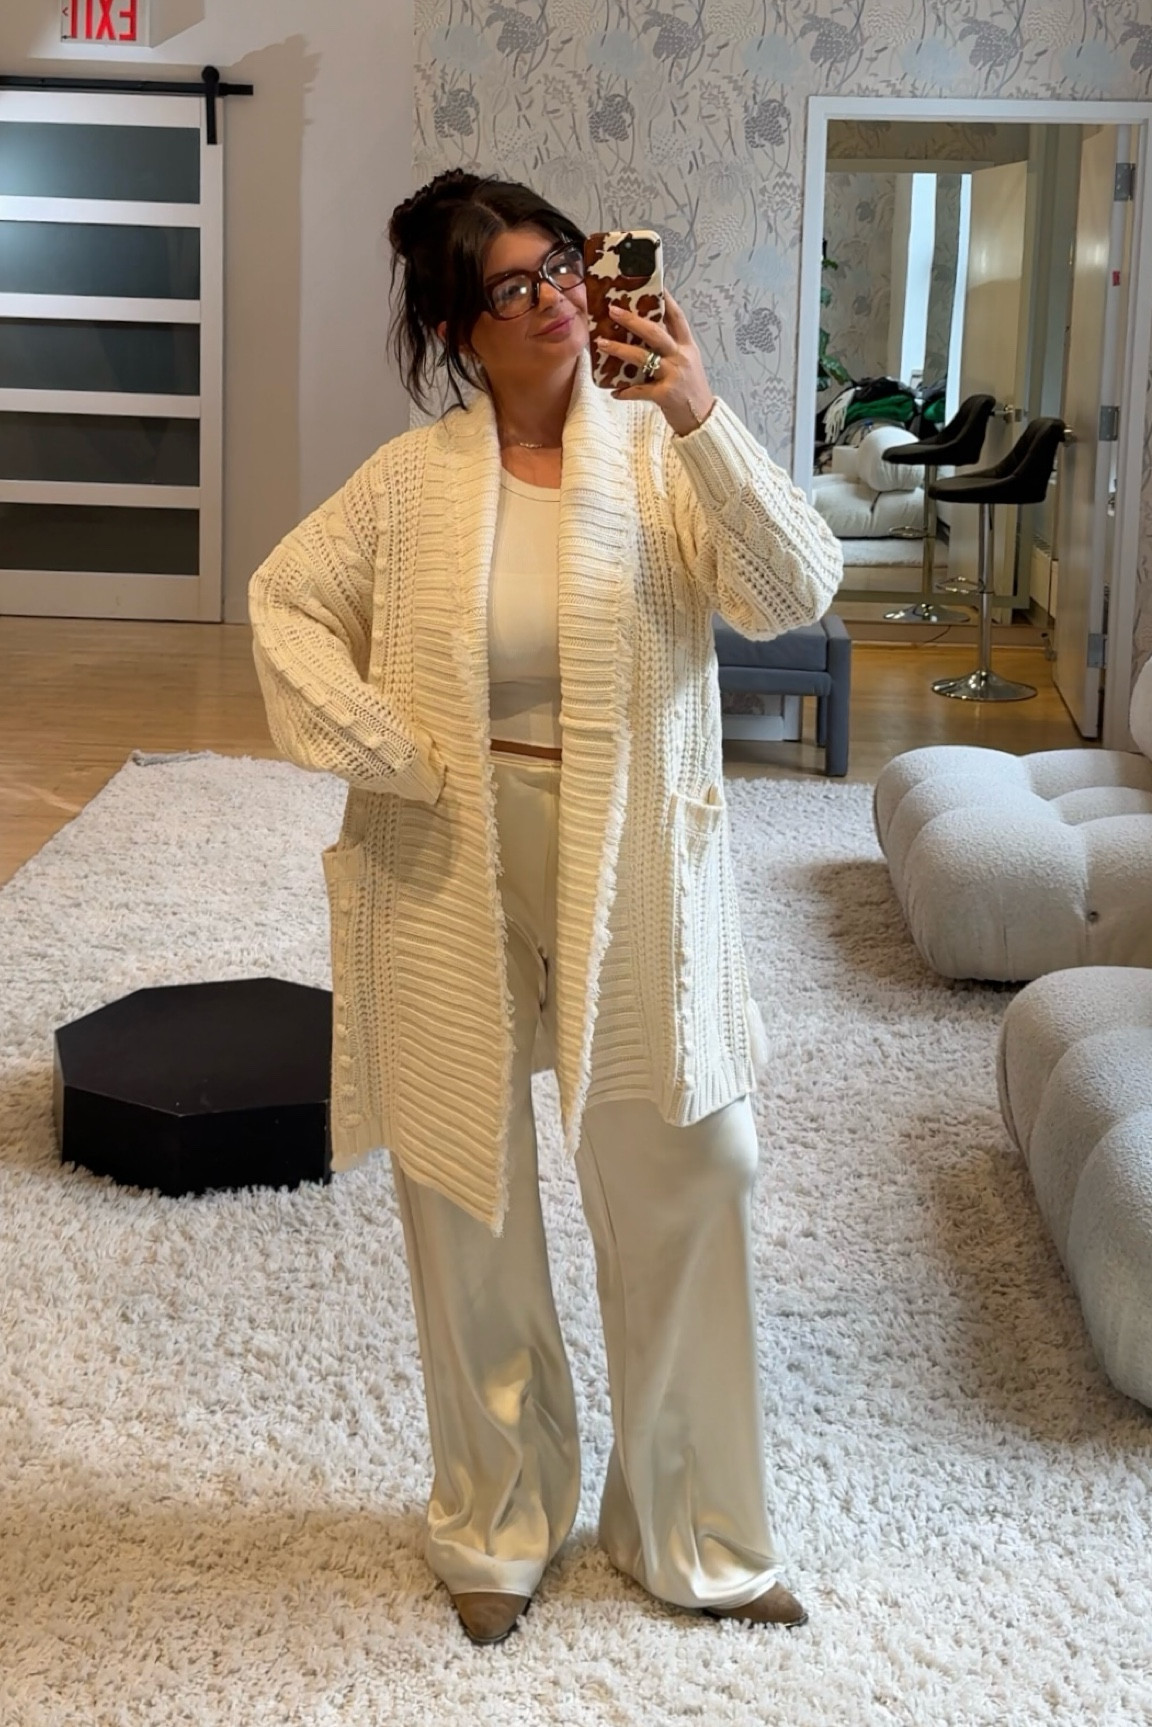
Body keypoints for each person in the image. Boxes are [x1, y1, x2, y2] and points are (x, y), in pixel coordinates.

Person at [249, 170, 843, 1646]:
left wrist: (697, 404)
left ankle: (693, 1525)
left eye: (565, 265)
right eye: (515, 287)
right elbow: (284, 603)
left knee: (694, 1163)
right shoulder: (409, 485)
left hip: (631, 856)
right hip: (446, 856)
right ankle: (497, 1516)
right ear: (461, 330)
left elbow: (795, 587)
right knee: (469, 1187)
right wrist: (391, 753)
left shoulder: (659, 450)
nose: (558, 299)